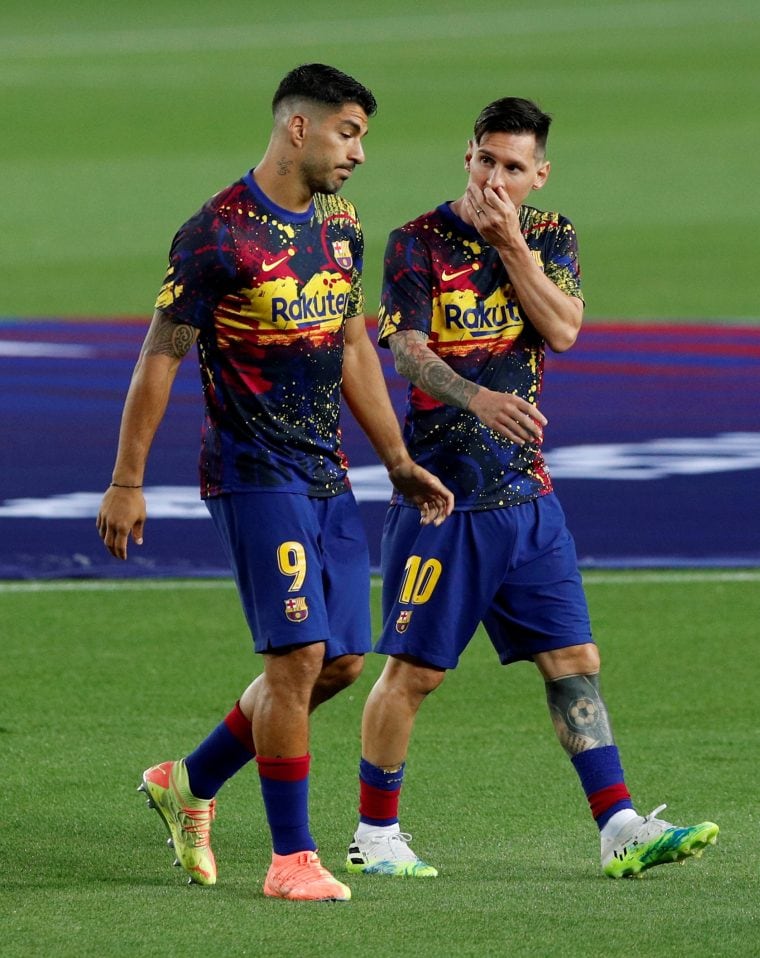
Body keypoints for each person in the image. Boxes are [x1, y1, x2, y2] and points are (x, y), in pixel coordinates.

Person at [96, 63, 453, 903]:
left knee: (342, 663)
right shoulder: (216, 235)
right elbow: (160, 356)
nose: (359, 153)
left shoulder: (339, 226)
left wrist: (396, 457)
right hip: (253, 474)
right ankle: (293, 859)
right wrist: (126, 480)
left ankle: (185, 784)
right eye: (349, 132)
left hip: (326, 472)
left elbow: (355, 343)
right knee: (295, 657)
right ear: (300, 127)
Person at [345, 96, 719, 880]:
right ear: (468, 156)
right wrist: (477, 397)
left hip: (527, 495)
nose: (495, 176)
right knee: (414, 672)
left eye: (514, 167)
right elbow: (406, 352)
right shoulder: (417, 242)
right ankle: (374, 835)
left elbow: (564, 329)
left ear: (538, 175)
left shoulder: (549, 236)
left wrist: (511, 243)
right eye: (486, 159)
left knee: (574, 657)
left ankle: (617, 824)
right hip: (445, 496)